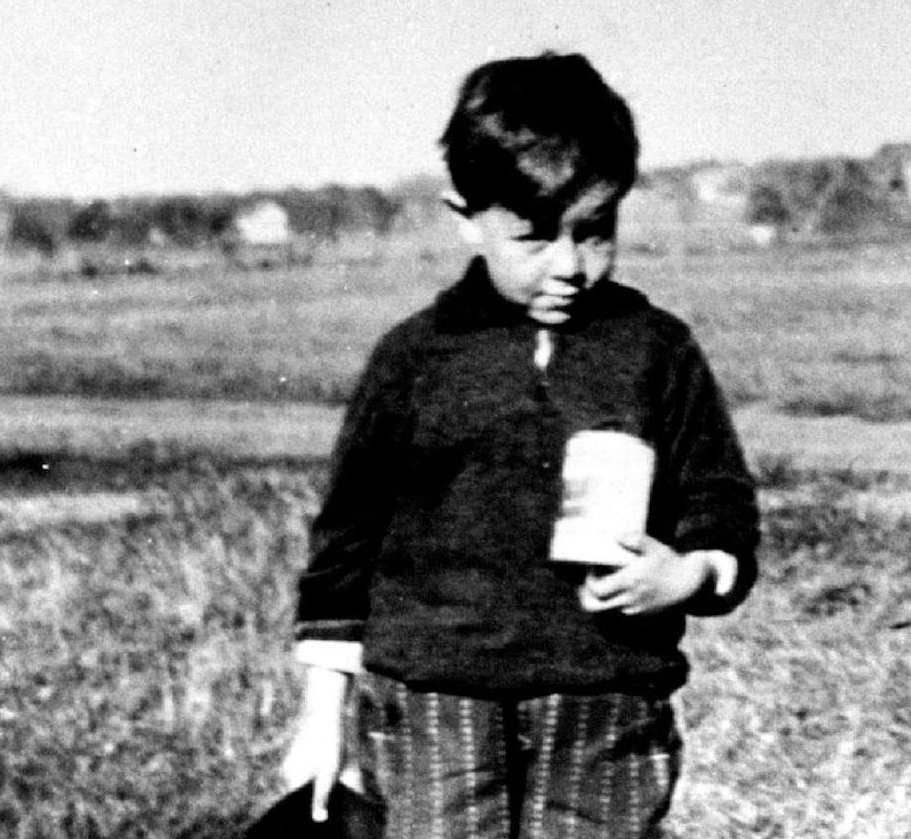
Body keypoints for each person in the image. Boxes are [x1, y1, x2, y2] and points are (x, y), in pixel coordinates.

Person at [280, 52, 759, 838]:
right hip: (436, 705)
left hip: (605, 700)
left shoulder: (656, 350)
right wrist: (321, 719)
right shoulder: (413, 359)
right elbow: (346, 546)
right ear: (465, 216)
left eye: (595, 232)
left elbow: (721, 505)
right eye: (534, 239)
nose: (569, 266)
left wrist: (689, 573)